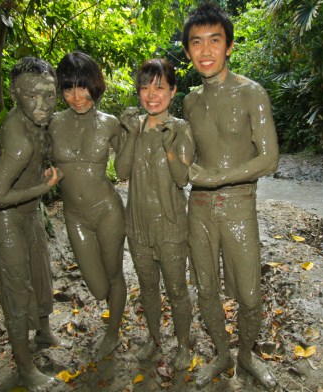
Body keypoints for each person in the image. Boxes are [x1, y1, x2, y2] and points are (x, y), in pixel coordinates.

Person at [181, 2, 280, 389]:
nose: (205, 51)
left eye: (214, 41)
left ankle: (247, 354)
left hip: (239, 206)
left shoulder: (251, 93)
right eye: (196, 43)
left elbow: (269, 157)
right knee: (205, 288)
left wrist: (220, 177)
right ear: (188, 51)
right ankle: (221, 353)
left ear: (229, 46)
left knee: (249, 291)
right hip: (199, 209)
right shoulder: (189, 101)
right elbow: (187, 156)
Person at [0, 57, 64, 391]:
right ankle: (25, 369)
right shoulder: (19, 141)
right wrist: (43, 188)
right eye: (31, 96)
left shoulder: (38, 121)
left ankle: (44, 333)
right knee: (16, 293)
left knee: (41, 275)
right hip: (6, 221)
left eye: (49, 95)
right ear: (15, 93)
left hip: (29, 213)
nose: (42, 105)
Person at [49, 51, 127, 361]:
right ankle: (114, 307)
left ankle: (113, 331)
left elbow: (127, 166)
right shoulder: (52, 123)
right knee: (97, 288)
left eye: (83, 86)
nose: (77, 96)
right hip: (75, 215)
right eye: (68, 88)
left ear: (95, 85)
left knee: (114, 275)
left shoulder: (110, 123)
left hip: (108, 210)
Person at [117, 59, 194, 370]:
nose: (151, 94)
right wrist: (130, 133)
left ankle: (184, 344)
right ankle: (154, 337)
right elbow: (121, 171)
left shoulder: (181, 128)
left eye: (159, 87)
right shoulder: (133, 127)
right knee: (148, 287)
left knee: (176, 289)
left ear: (173, 91)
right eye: (145, 87)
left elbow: (182, 178)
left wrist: (169, 147)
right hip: (137, 226)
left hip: (171, 226)